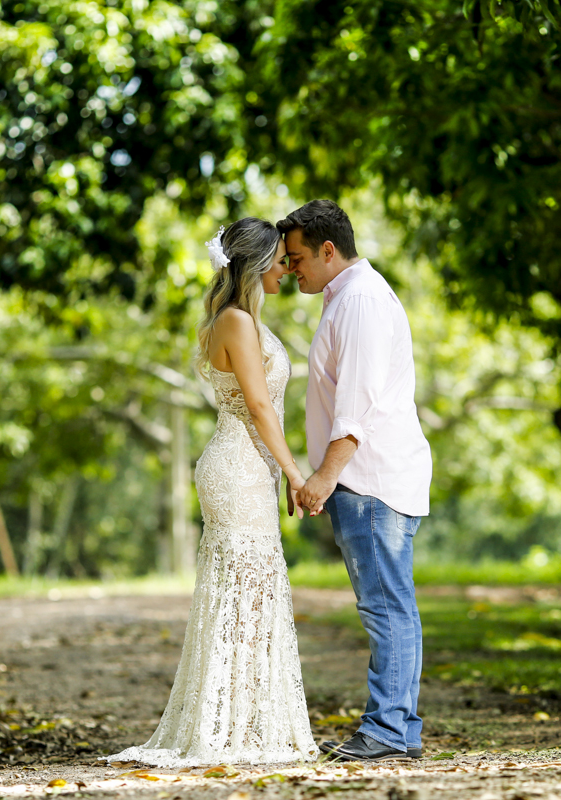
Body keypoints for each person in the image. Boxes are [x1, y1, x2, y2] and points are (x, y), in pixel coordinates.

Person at [101, 217, 319, 767]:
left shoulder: (240, 320)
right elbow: (261, 407)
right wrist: (295, 473)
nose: (286, 269)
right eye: (279, 260)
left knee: (252, 595)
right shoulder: (237, 323)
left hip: (248, 465)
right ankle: (229, 727)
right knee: (243, 594)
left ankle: (243, 721)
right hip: (238, 466)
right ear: (257, 263)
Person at [280, 200, 432, 762]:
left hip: (371, 481)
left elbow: (357, 406)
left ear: (327, 250)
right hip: (372, 479)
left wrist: (324, 476)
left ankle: (388, 731)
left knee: (386, 607)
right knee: (393, 604)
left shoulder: (362, 301)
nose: (291, 268)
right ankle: (400, 729)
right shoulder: (347, 297)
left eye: (296, 258)